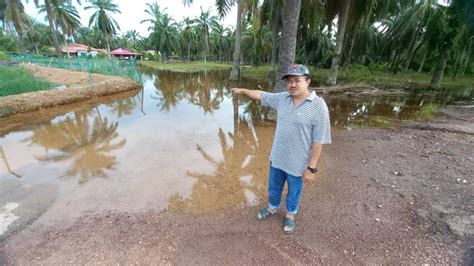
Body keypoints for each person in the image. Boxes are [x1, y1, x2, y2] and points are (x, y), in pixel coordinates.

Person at [230, 64, 331, 233]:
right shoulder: (283, 99)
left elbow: (318, 141)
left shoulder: (318, 106)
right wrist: (242, 90)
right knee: (274, 186)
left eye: (297, 81)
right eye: (289, 81)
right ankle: (272, 208)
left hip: (298, 162)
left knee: (294, 191)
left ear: (308, 82)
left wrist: (311, 169)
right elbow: (261, 95)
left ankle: (290, 215)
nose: (292, 85)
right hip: (277, 157)